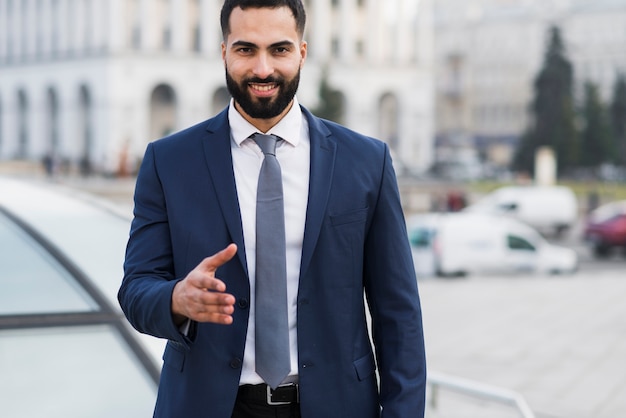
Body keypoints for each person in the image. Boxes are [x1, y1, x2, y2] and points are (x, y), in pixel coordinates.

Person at [118, 1, 427, 417]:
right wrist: (176, 299)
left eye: (278, 50)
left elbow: (398, 313)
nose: (263, 69)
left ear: (301, 51)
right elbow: (136, 289)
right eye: (246, 50)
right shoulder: (168, 161)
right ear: (223, 51)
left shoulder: (366, 162)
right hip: (206, 405)